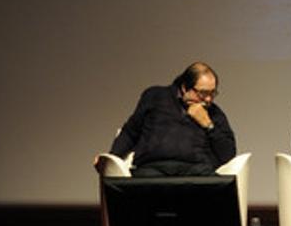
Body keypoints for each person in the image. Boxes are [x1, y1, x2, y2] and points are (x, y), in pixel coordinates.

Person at [101, 61, 236, 177]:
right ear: (184, 88)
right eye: (203, 93)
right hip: (152, 169)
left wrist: (208, 124)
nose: (208, 99)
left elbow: (228, 155)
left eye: (213, 93)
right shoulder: (155, 97)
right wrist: (111, 159)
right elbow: (131, 132)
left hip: (196, 173)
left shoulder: (214, 113)